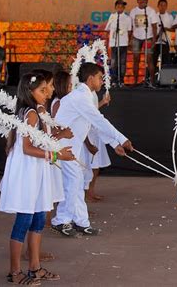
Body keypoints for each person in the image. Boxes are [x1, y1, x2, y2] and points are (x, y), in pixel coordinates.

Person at [0, 72, 75, 285]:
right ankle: (14, 271)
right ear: (30, 92)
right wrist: (59, 155)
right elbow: (28, 147)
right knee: (24, 219)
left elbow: (41, 140)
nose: (49, 92)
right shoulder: (31, 113)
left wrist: (60, 136)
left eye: (49, 87)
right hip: (27, 172)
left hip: (37, 170)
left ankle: (35, 267)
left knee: (39, 218)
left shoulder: (37, 111)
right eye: (44, 89)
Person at [51, 63, 134, 236]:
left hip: (72, 148)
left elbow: (93, 125)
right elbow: (99, 121)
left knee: (77, 183)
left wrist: (114, 144)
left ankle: (81, 222)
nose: (102, 81)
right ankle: (61, 220)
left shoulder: (85, 96)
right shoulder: (80, 97)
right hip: (62, 147)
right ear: (90, 79)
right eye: (100, 77)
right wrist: (122, 139)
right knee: (73, 183)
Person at [129, 0, 159, 87]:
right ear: (137, 0)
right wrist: (130, 40)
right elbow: (131, 27)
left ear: (147, 0)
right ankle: (135, 81)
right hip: (136, 38)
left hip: (148, 38)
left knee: (149, 59)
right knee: (136, 59)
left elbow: (155, 26)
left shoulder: (151, 11)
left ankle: (152, 82)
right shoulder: (133, 11)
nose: (142, 0)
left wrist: (154, 39)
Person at [105, 0, 131, 88]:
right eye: (118, 6)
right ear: (115, 7)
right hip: (114, 43)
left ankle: (121, 80)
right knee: (113, 63)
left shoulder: (127, 18)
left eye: (122, 6)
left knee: (122, 62)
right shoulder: (112, 16)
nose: (120, 8)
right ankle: (114, 80)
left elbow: (130, 31)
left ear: (124, 8)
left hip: (123, 43)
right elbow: (107, 28)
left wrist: (129, 41)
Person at [153, 0, 174, 69]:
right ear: (158, 6)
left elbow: (173, 29)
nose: (162, 7)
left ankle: (164, 77)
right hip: (155, 42)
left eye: (164, 5)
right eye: (161, 5)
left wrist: (165, 29)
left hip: (165, 42)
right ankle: (152, 78)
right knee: (153, 61)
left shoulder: (170, 17)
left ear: (167, 6)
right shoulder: (154, 16)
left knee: (165, 61)